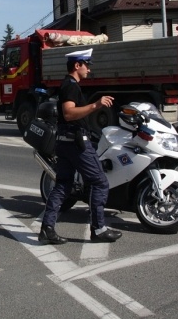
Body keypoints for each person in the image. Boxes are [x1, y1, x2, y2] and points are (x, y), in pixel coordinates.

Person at [39, 48, 122, 244]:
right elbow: (68, 113)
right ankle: (98, 229)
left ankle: (47, 229)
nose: (89, 70)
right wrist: (95, 105)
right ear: (77, 65)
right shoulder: (71, 86)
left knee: (63, 185)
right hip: (76, 144)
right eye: (87, 66)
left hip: (65, 142)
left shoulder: (68, 85)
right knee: (99, 182)